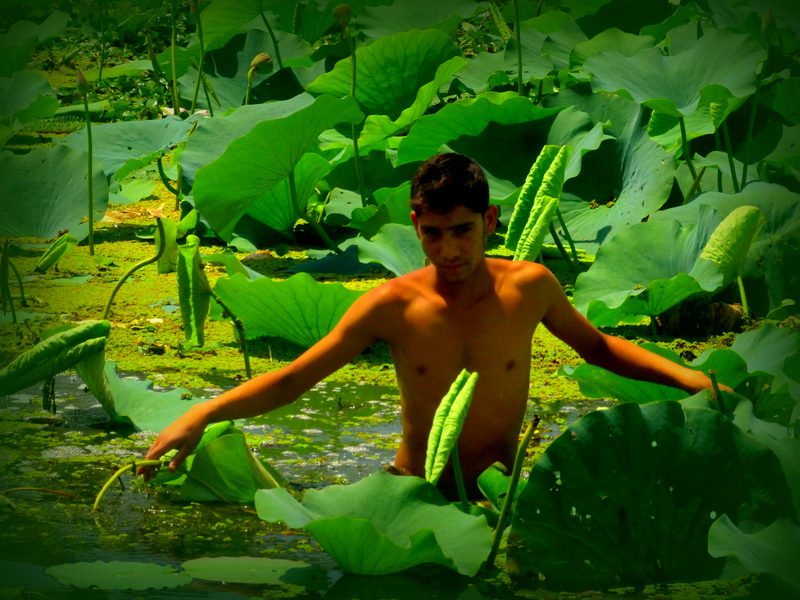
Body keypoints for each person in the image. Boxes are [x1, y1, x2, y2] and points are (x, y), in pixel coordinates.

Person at [140, 153, 726, 499]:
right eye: (433, 233)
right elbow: (295, 380)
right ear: (416, 223)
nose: (448, 250)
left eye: (462, 231)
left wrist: (693, 380)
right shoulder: (390, 305)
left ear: (489, 220)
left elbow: (598, 348)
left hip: (499, 493)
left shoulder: (531, 287)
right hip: (413, 490)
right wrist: (200, 414)